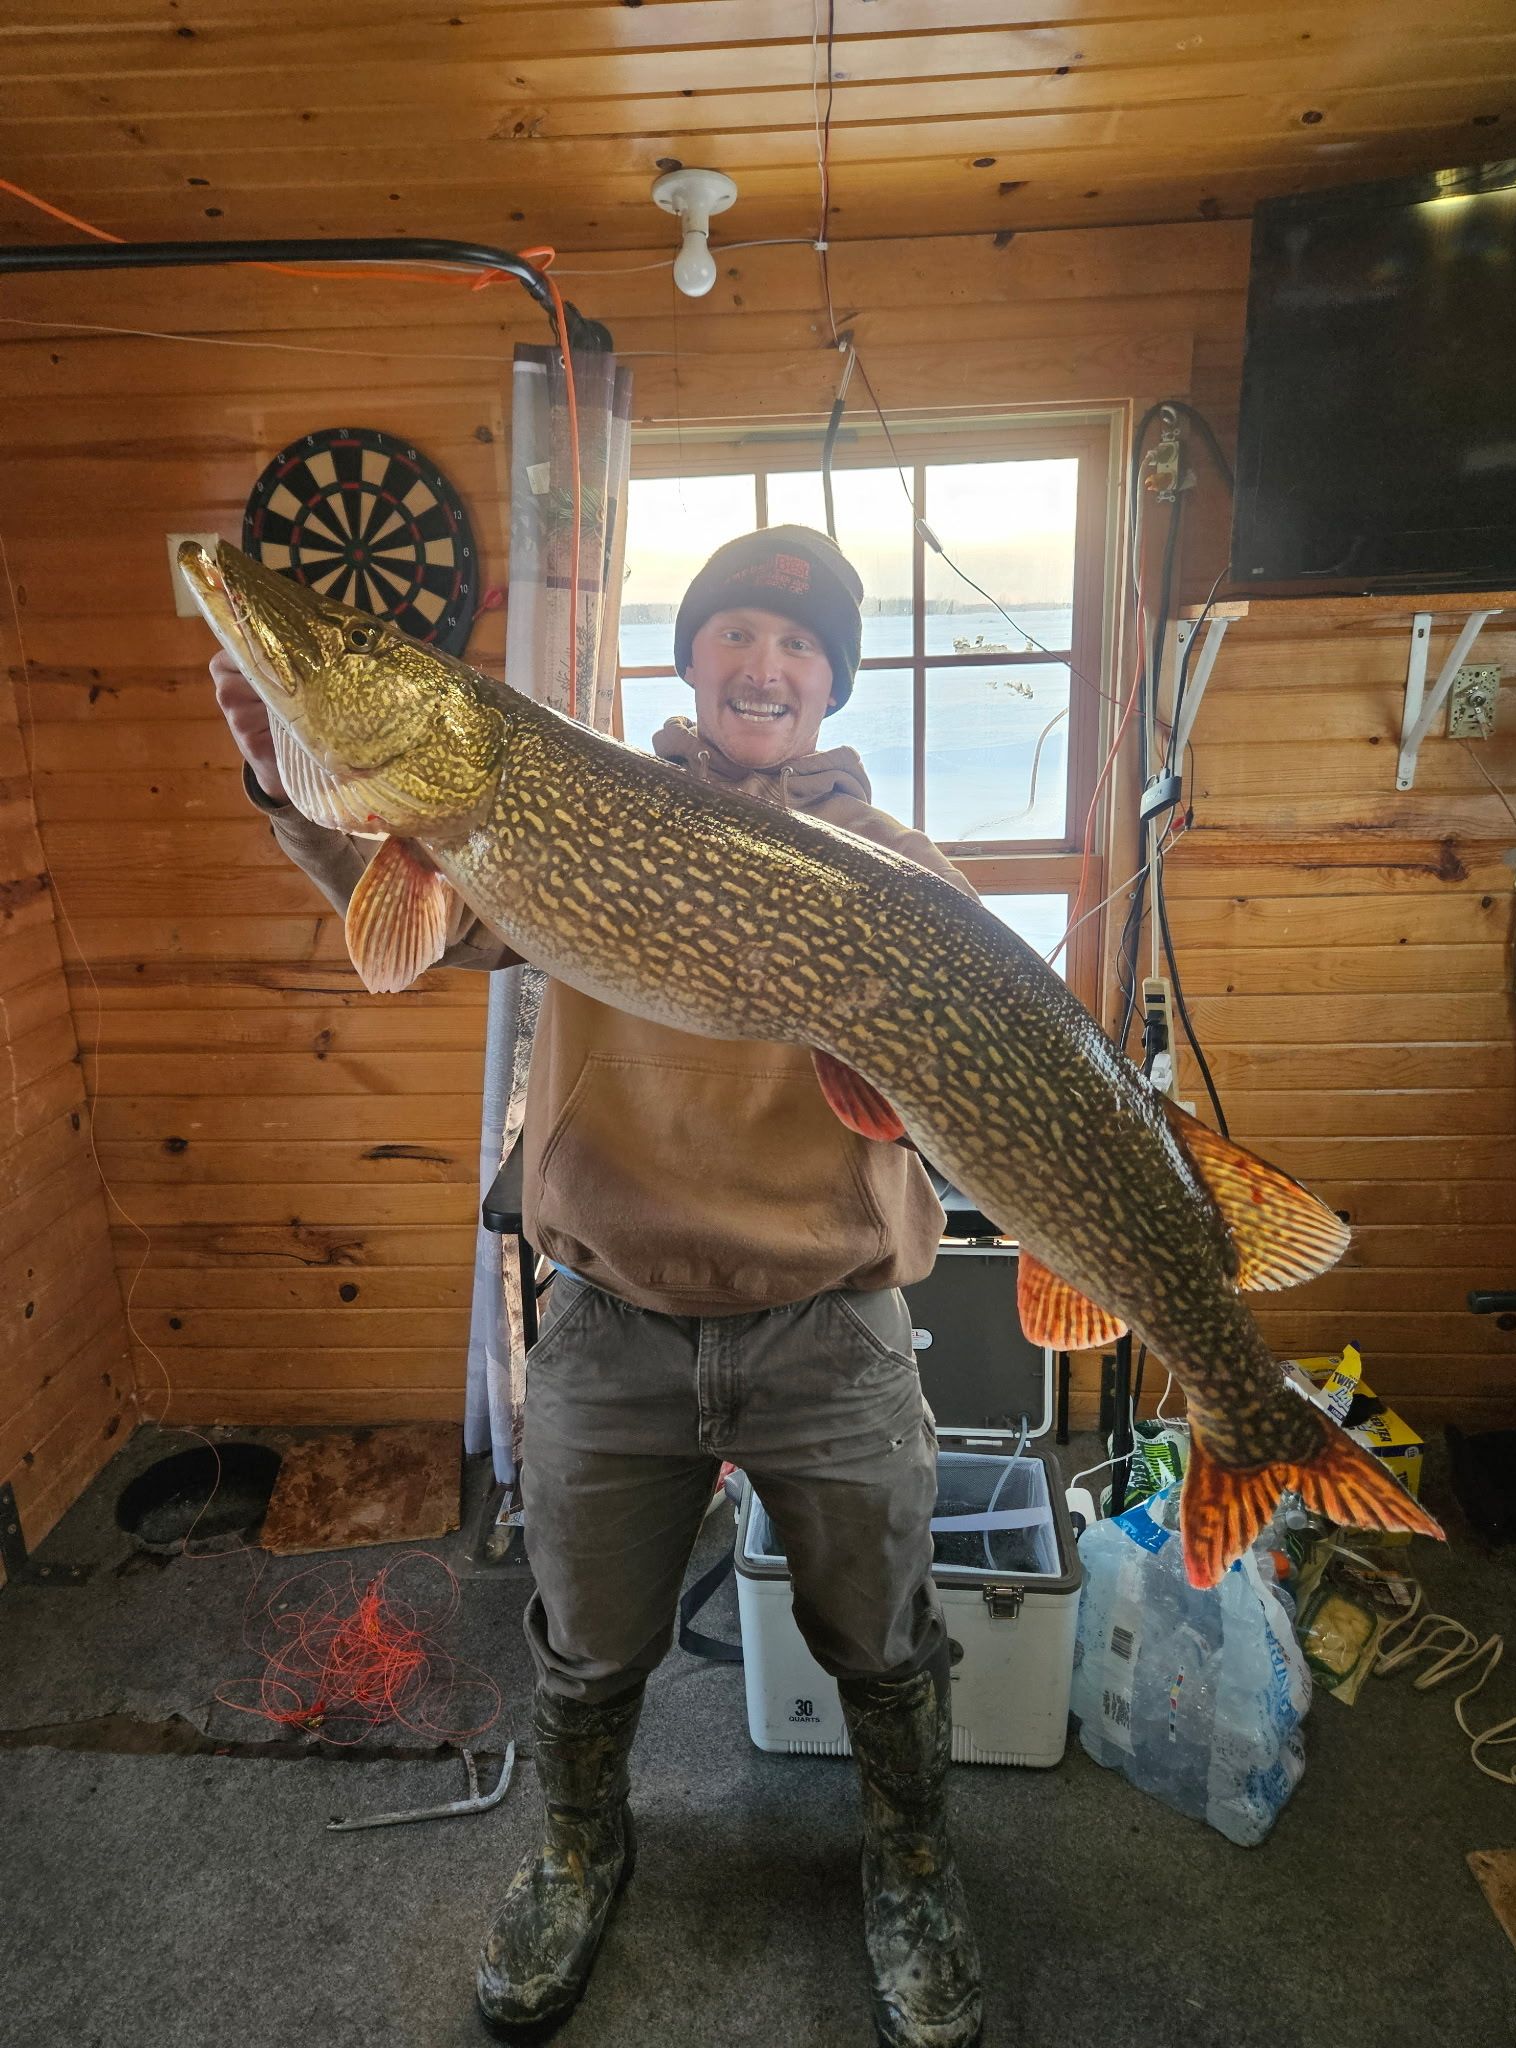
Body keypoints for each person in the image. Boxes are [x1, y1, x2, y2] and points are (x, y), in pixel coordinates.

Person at [211, 524, 986, 2048]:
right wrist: (285, 777)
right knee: (585, 1640)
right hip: (612, 1317)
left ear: (830, 685)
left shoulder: (900, 868)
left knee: (885, 1635)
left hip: (828, 1322)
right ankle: (577, 1855)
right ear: (691, 659)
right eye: (738, 632)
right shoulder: (565, 809)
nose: (765, 664)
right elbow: (416, 911)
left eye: (800, 646)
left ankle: (909, 1864)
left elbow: (989, 1057)